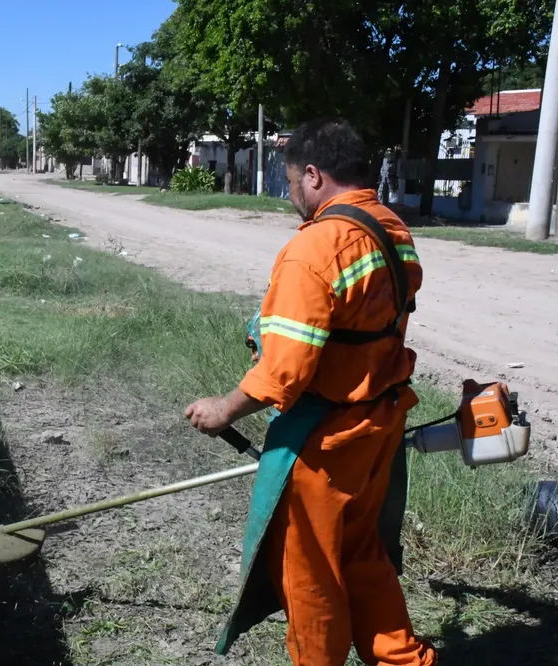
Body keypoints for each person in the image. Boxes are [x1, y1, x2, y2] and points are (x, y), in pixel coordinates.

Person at [185, 118, 436, 666]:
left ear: (315, 176)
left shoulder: (315, 248)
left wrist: (222, 409)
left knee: (311, 575)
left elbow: (283, 372)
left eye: (292, 180)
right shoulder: (389, 226)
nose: (291, 194)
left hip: (326, 440)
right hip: (379, 424)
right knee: (363, 556)